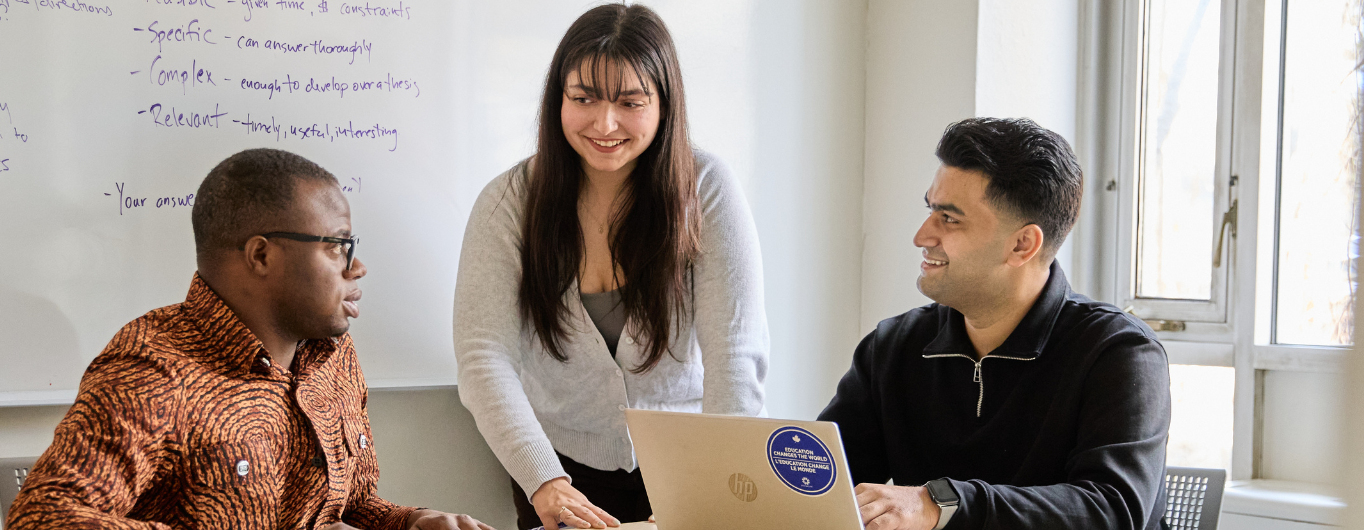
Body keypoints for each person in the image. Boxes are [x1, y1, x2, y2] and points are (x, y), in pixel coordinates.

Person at [7, 149, 492, 530]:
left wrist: (409, 523)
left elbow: (348, 508)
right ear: (261, 255)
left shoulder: (332, 356)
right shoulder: (154, 368)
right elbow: (42, 518)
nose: (356, 267)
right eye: (336, 245)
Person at [452, 4, 769, 530]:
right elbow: (484, 358)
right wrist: (543, 481)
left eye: (630, 102)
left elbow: (735, 356)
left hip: (689, 462)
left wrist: (714, 491)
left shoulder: (708, 190)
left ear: (664, 105)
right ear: (559, 99)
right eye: (584, 99)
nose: (605, 123)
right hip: (556, 467)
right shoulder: (508, 202)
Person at [817, 118, 1170, 530]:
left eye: (949, 219)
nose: (921, 235)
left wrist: (940, 504)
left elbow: (1111, 511)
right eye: (930, 210)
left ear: (1022, 244)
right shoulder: (893, 347)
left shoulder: (1118, 353)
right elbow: (822, 484)